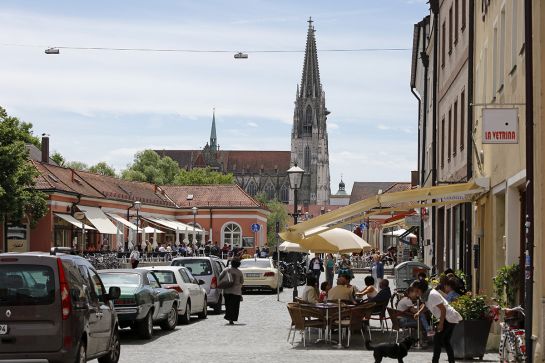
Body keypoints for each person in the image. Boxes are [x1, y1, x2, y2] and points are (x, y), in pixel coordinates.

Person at [412, 280, 462, 363]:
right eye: (414, 291)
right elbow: (426, 305)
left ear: (422, 289)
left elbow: (443, 309)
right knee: (445, 341)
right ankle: (451, 361)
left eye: (417, 291)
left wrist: (441, 324)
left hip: (448, 318)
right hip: (448, 318)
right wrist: (419, 312)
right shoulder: (426, 295)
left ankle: (435, 361)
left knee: (437, 341)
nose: (416, 293)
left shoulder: (432, 295)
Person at [221, 258, 244, 325]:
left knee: (228, 305)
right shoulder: (239, 272)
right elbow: (242, 281)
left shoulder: (226, 270)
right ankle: (232, 319)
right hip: (236, 292)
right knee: (235, 307)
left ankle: (228, 316)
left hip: (227, 291)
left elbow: (220, 277)